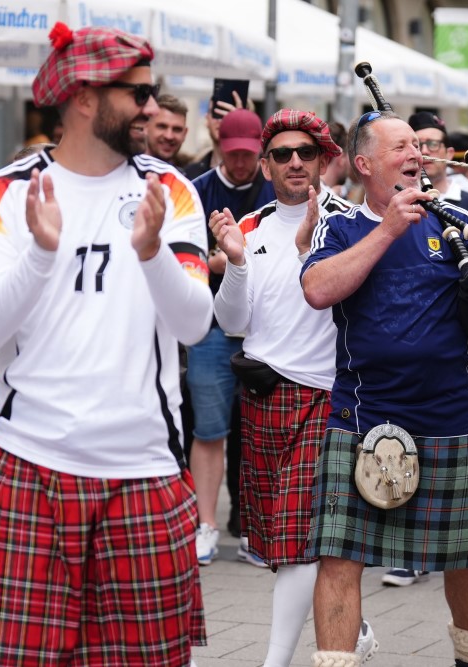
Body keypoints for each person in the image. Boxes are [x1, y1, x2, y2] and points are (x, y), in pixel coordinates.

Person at [0, 23, 212, 665]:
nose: (150, 108)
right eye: (138, 93)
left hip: (144, 470)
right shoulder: (6, 191)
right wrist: (40, 255)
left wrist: (152, 253)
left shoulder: (169, 190)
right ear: (85, 98)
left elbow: (194, 324)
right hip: (26, 464)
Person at [300, 110, 468, 667]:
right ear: (363, 164)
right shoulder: (341, 225)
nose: (416, 154)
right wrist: (388, 230)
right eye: (401, 146)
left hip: (450, 414)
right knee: (337, 556)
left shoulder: (455, 222)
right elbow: (317, 289)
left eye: (417, 146)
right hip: (363, 416)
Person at [210, 108, 379, 666]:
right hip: (262, 396)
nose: (295, 162)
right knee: (275, 545)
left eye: (306, 152)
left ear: (325, 159)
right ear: (265, 165)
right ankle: (350, 621)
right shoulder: (251, 226)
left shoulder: (350, 222)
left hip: (329, 399)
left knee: (299, 541)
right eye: (282, 154)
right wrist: (236, 263)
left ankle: (274, 661)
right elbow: (233, 324)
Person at [189, 107, 275, 566]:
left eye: (248, 154)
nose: (240, 162)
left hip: (263, 326)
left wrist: (230, 257)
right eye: (233, 153)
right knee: (208, 428)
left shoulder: (273, 190)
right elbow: (185, 258)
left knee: (260, 430)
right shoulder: (198, 190)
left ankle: (254, 527)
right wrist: (221, 260)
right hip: (210, 326)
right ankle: (205, 523)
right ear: (219, 147)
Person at [145, 93, 189, 166]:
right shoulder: (127, 169)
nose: (169, 136)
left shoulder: (188, 173)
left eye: (177, 129)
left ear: (185, 134)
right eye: (162, 127)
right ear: (146, 127)